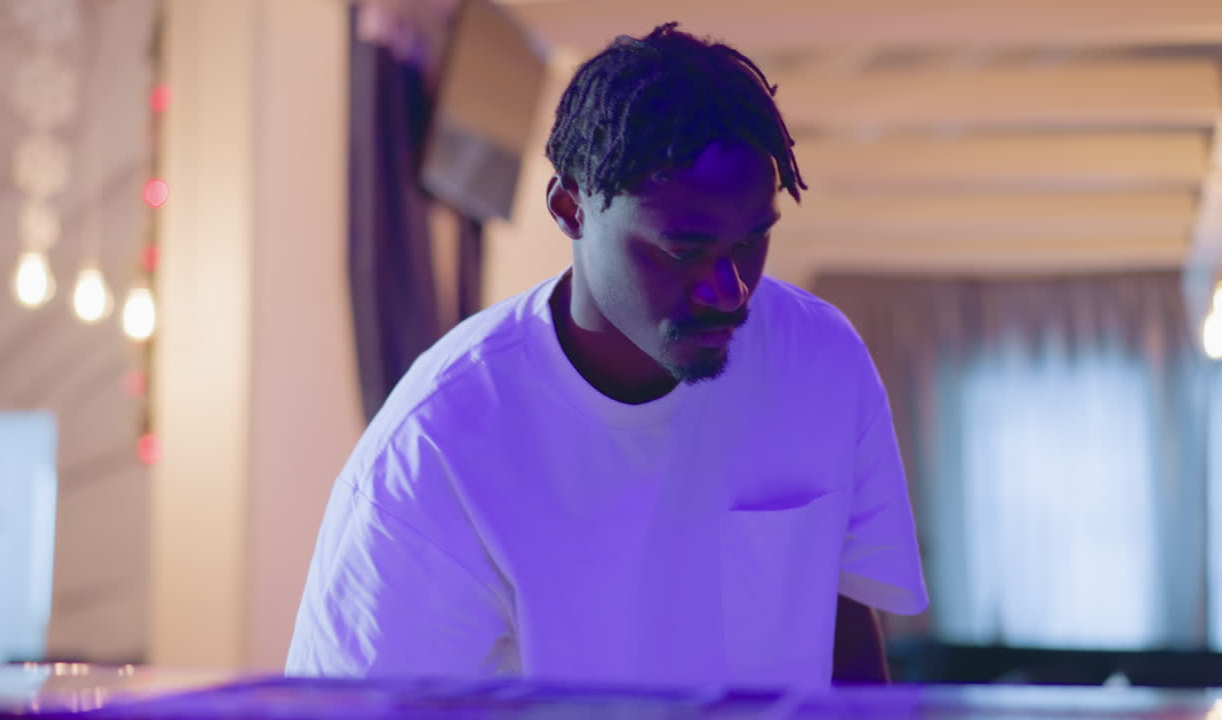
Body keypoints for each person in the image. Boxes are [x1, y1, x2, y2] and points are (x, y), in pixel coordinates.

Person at [287, 22, 927, 689]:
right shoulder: (437, 445)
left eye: (749, 243)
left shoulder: (823, 365)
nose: (730, 291)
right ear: (570, 208)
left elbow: (850, 658)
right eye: (683, 250)